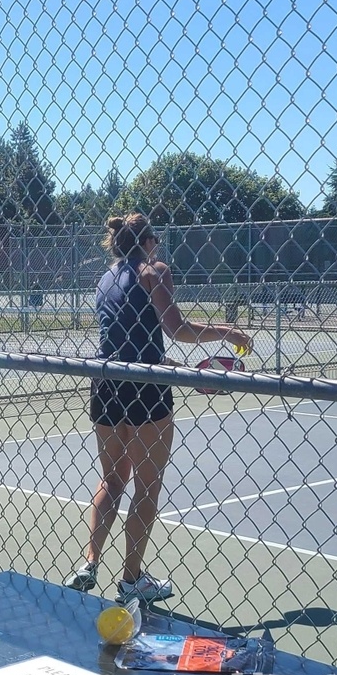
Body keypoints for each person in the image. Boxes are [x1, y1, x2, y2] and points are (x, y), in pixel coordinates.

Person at [65, 214, 253, 603]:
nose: (159, 245)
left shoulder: (106, 277)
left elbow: (131, 339)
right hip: (147, 390)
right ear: (148, 241)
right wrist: (226, 330)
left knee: (112, 480)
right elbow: (176, 328)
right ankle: (132, 580)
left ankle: (89, 563)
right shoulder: (156, 270)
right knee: (146, 486)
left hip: (106, 383)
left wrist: (176, 369)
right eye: (156, 238)